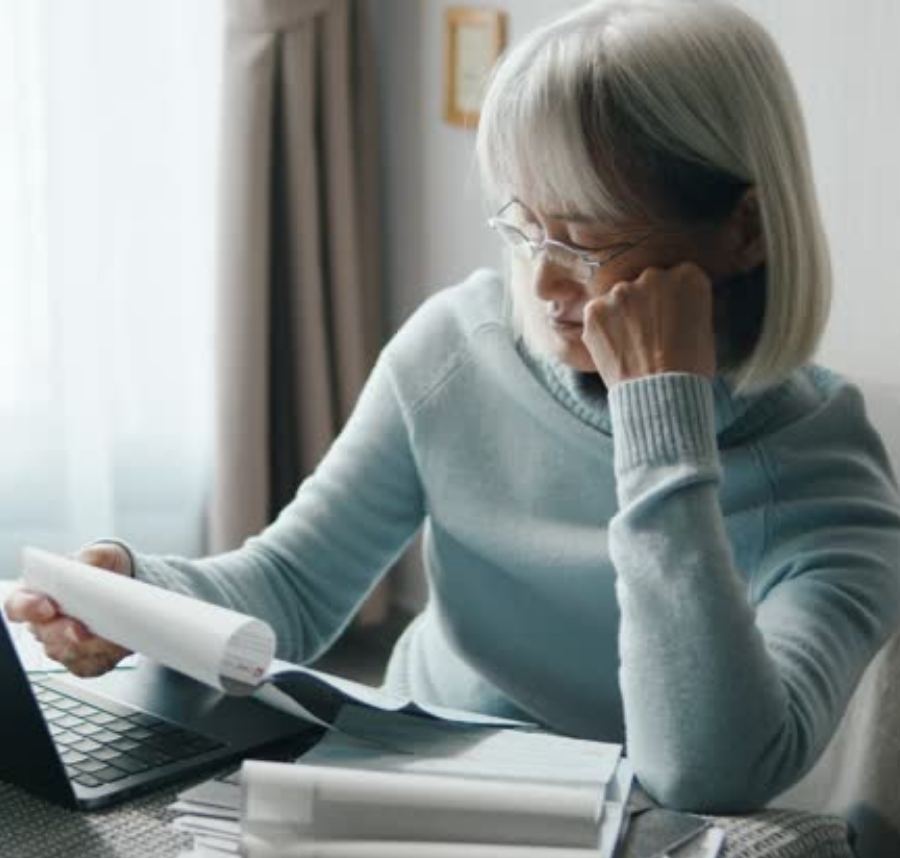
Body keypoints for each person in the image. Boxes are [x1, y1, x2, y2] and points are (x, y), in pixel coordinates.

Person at [6, 0, 900, 813]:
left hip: (618, 834)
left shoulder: (831, 485)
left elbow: (705, 775)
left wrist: (659, 420)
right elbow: (293, 586)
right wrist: (132, 594)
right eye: (523, 225)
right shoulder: (459, 345)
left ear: (741, 230)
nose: (540, 281)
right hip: (403, 777)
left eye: (586, 240)